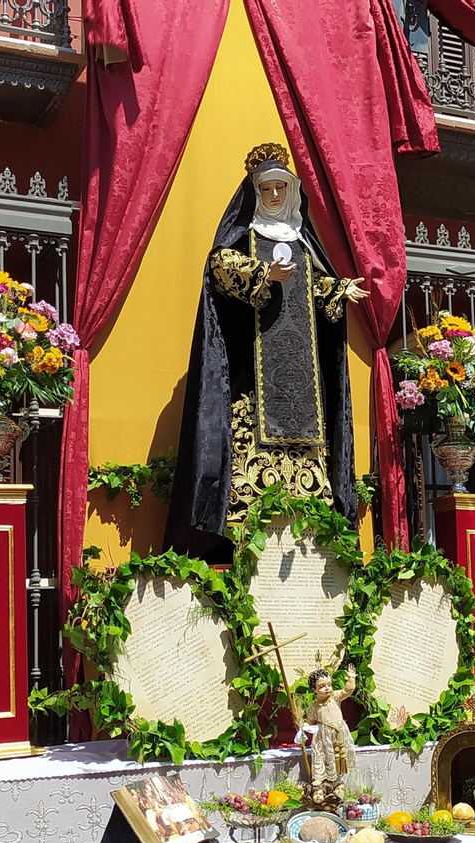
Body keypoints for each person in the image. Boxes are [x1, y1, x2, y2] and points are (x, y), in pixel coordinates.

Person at [165, 143, 368, 559]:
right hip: (253, 379)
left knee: (310, 471)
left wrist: (338, 289)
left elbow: (312, 288)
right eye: (266, 189)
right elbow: (220, 266)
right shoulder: (245, 237)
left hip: (303, 389)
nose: (274, 195)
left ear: (291, 192)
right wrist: (261, 273)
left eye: (281, 188)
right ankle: (240, 550)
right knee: (248, 458)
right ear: (255, 193)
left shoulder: (303, 242)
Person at [304, 665, 357, 808]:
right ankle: (319, 777)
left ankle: (336, 779)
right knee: (321, 755)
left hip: (338, 732)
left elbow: (348, 690)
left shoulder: (335, 697)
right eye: (322, 686)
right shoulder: (314, 707)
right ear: (314, 689)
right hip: (323, 735)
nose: (327, 688)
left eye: (329, 684)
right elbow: (308, 722)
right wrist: (303, 727)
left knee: (338, 756)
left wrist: (351, 677)